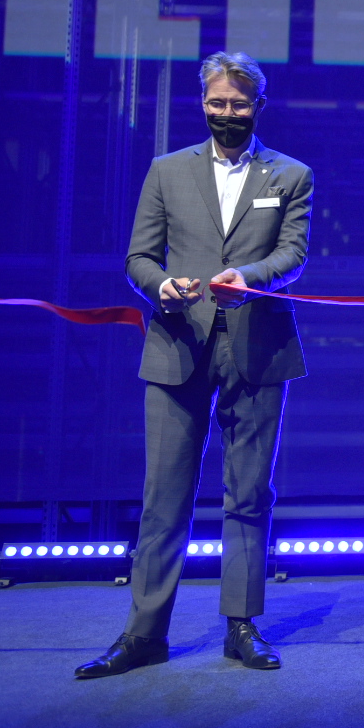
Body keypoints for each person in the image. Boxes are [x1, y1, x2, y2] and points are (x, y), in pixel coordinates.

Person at [77, 52, 312, 679]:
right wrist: (162, 287)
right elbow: (138, 258)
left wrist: (250, 277)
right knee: (164, 497)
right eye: (217, 103)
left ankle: (242, 625)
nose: (226, 113)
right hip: (178, 344)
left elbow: (293, 254)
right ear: (202, 103)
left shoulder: (291, 174)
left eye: (238, 104)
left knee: (249, 494)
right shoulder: (167, 170)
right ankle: (144, 633)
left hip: (258, 347)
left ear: (259, 106)